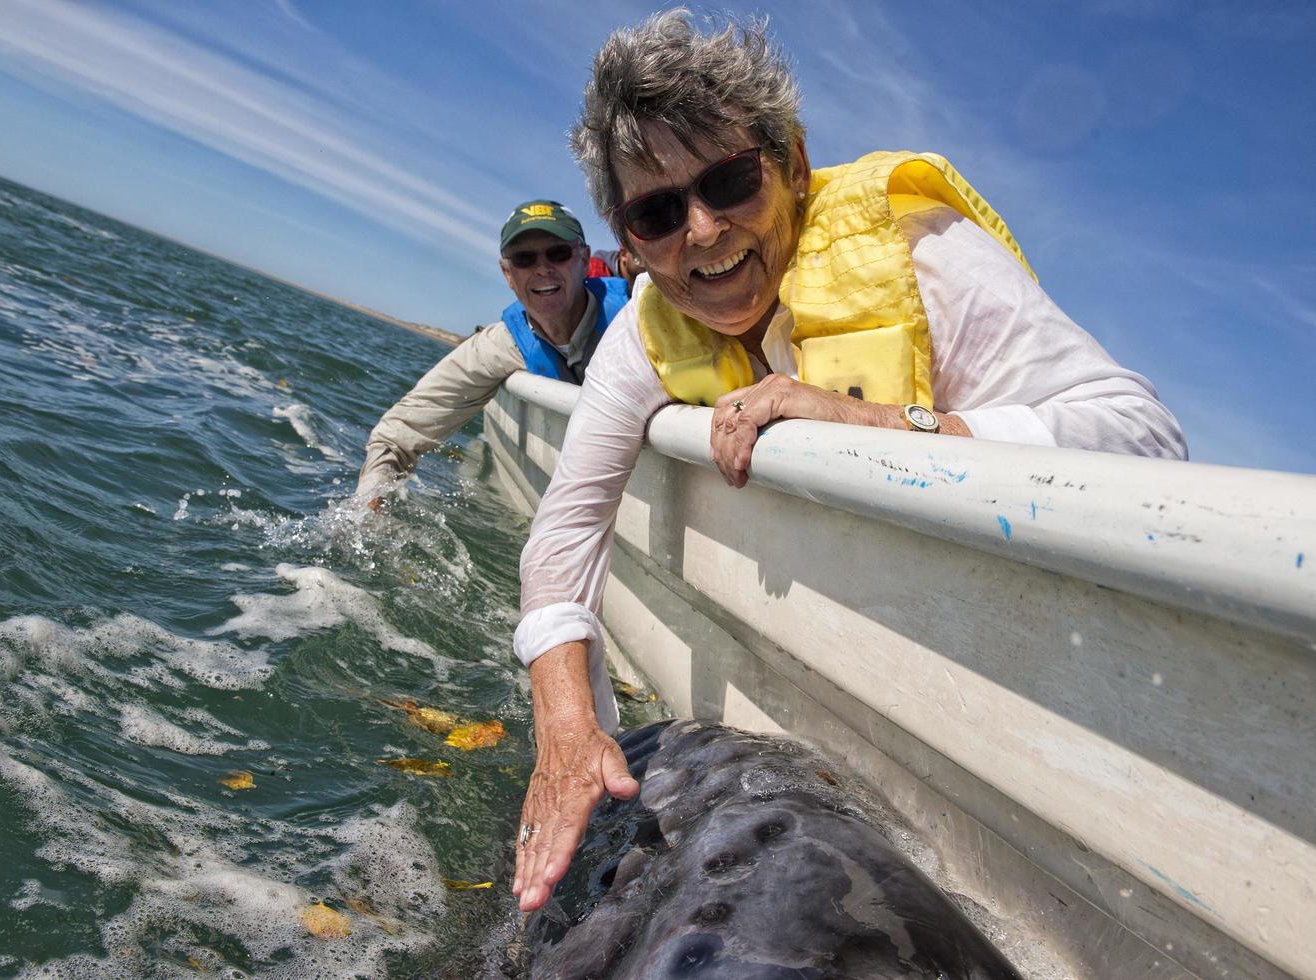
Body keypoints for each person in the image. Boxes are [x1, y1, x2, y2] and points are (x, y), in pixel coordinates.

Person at [509, 12, 1187, 912]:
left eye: (730, 181)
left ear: (790, 164)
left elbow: (1142, 434)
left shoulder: (927, 258)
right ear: (626, 236)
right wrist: (566, 727)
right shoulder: (646, 329)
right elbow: (564, 531)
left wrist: (856, 418)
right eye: (658, 212)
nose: (703, 233)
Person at [356, 200, 628, 505]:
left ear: (584, 258)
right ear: (507, 273)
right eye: (524, 259)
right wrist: (370, 504)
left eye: (558, 253)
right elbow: (397, 434)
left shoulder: (640, 319)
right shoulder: (501, 345)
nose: (542, 269)